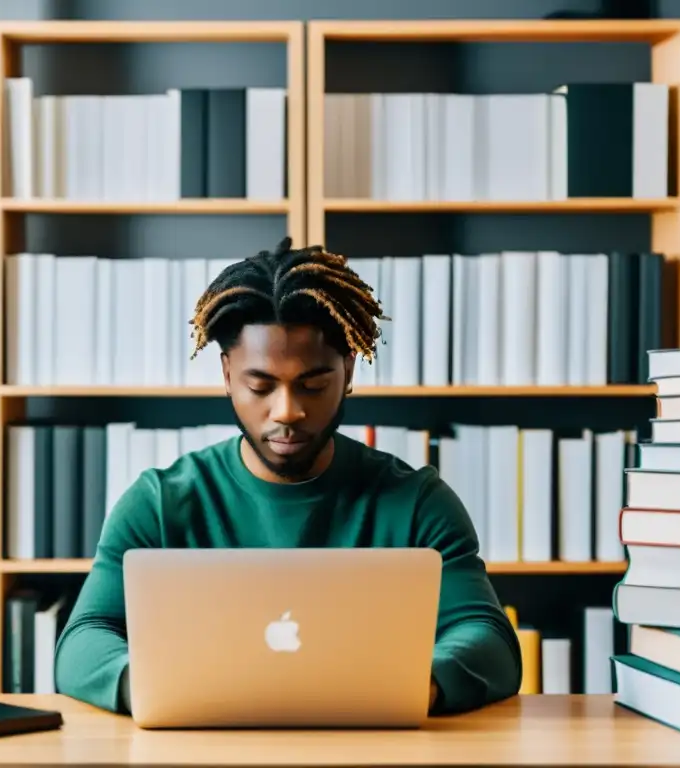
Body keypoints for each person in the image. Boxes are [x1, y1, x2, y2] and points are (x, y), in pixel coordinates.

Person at [53, 237, 522, 715]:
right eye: (260, 386)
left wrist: (418, 684)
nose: (288, 411)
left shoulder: (418, 501)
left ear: (349, 371)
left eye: (313, 385)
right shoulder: (156, 502)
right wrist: (158, 686)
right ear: (227, 375)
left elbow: (489, 640)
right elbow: (82, 642)